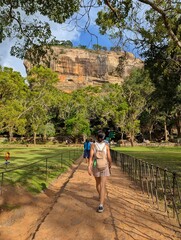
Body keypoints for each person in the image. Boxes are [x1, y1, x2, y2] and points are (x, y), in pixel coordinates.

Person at [88, 132, 112, 213]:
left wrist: (89, 167)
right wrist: (110, 165)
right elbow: (109, 157)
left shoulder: (93, 145)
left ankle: (100, 196)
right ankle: (101, 205)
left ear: (96, 137)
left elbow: (91, 158)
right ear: (104, 138)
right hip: (104, 165)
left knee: (98, 183)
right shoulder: (106, 146)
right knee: (103, 185)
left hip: (96, 165)